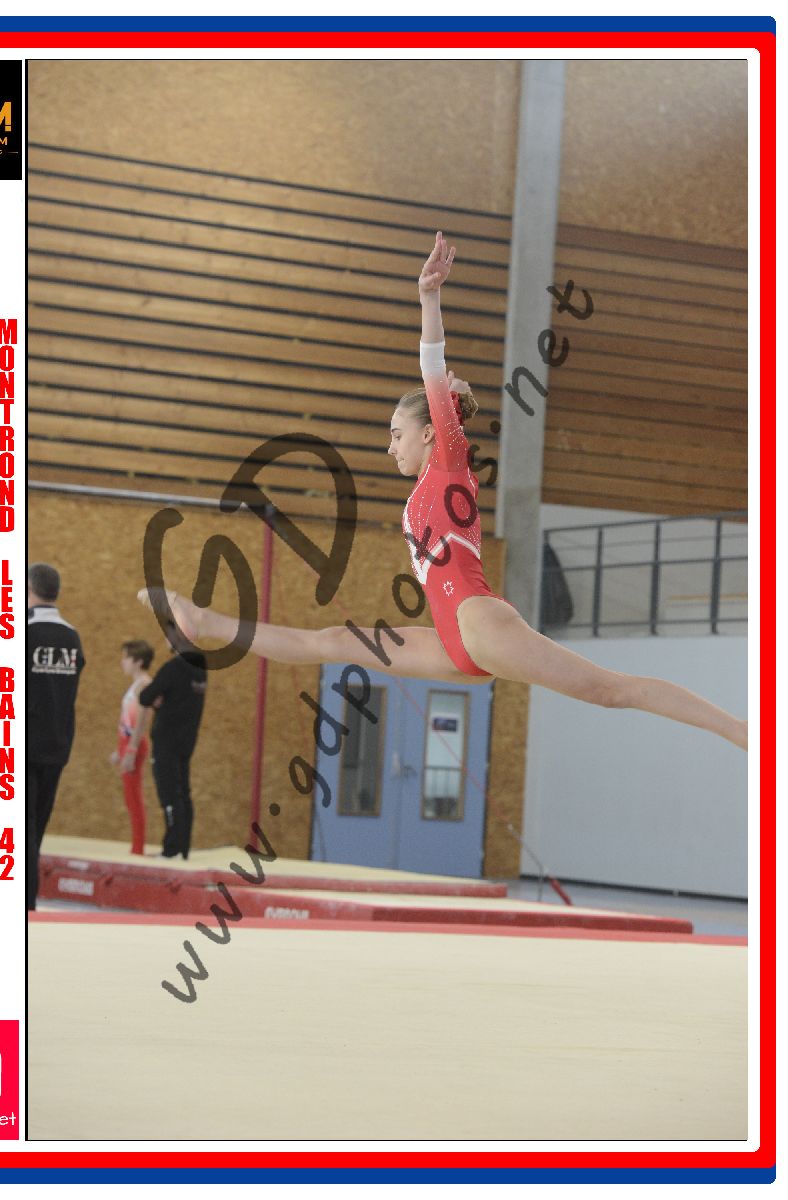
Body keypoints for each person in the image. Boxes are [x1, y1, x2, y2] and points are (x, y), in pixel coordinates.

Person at [138, 232, 747, 752]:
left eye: (396, 433)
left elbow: (433, 368)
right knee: (330, 642)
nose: (390, 447)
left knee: (612, 691)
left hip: (478, 622)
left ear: (431, 432)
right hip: (455, 643)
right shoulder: (430, 483)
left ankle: (748, 734)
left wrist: (430, 298)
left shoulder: (450, 464)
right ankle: (206, 621)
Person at [27, 563, 86, 910]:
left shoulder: (26, 631)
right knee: (36, 828)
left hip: (26, 745)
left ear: (28, 590)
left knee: (23, 831)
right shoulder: (71, 636)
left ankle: (26, 903)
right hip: (57, 743)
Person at [127, 625, 207, 858]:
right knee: (183, 792)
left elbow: (145, 696)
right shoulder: (200, 668)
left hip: (167, 739)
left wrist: (160, 698)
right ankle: (183, 847)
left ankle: (171, 849)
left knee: (169, 793)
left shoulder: (174, 667)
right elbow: (181, 696)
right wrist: (165, 696)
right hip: (187, 738)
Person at [111, 639, 154, 855]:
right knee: (130, 798)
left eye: (126, 658)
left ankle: (138, 847)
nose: (123, 662)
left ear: (138, 661)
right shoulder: (136, 684)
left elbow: (142, 721)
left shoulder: (145, 684)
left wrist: (131, 749)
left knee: (134, 798)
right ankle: (136, 846)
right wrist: (119, 749)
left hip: (133, 744)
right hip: (126, 742)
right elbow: (127, 720)